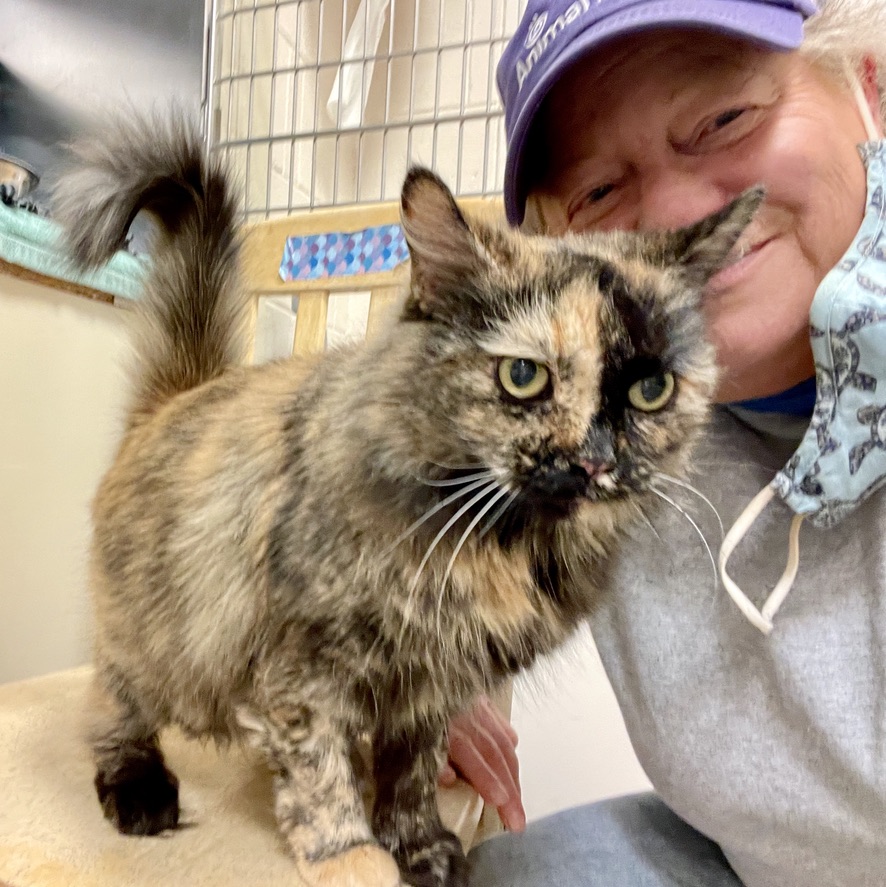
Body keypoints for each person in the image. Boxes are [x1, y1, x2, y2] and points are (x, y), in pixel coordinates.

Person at [440, 1, 886, 884]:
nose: (676, 218)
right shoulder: (585, 428)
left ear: (871, 85)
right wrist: (416, 676)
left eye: (726, 119)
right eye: (600, 192)